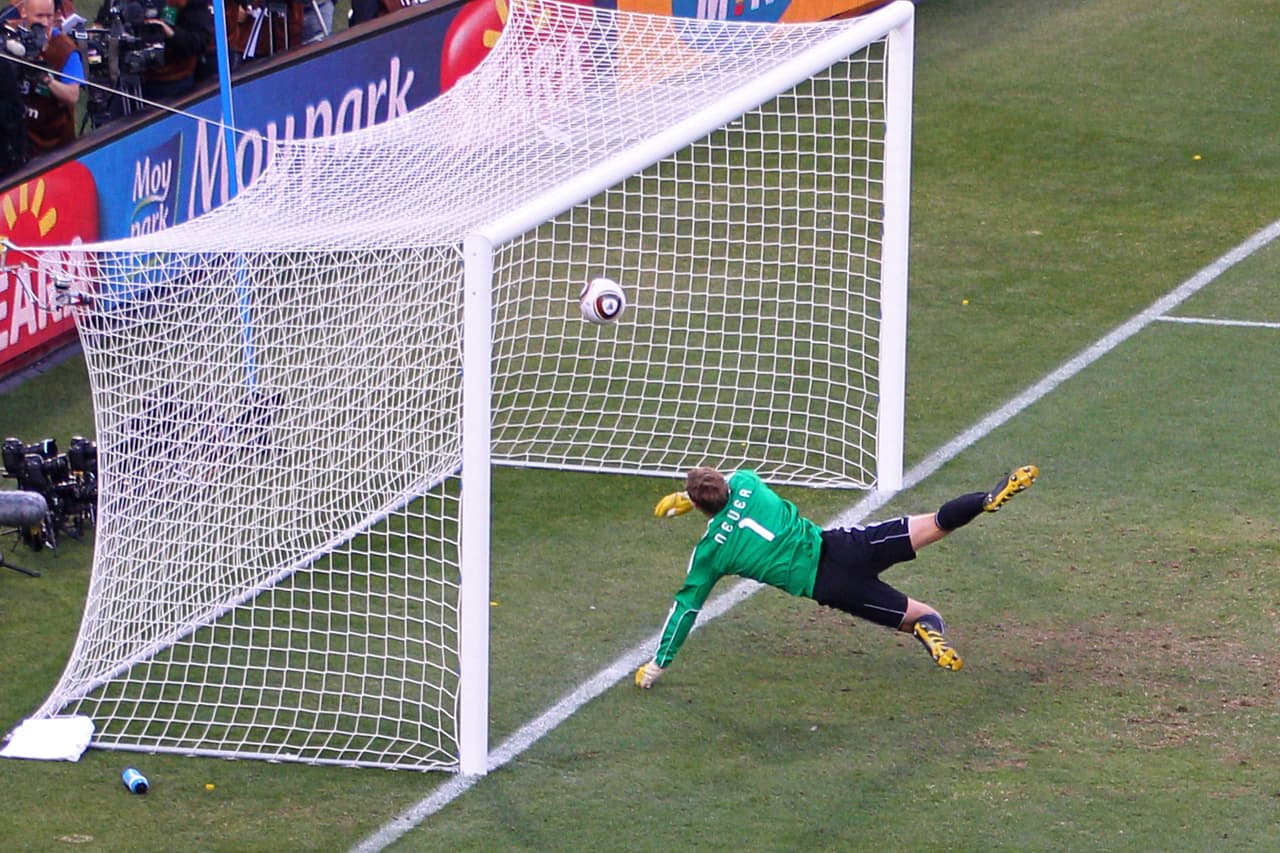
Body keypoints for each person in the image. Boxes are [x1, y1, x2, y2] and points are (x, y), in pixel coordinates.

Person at [634, 464, 1040, 688]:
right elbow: (727, 483)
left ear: (703, 509)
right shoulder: (748, 483)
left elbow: (685, 608)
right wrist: (692, 495)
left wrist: (658, 664)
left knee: (921, 615)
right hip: (844, 545)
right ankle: (985, 501)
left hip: (831, 585)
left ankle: (928, 632)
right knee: (934, 522)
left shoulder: (711, 554)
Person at [16, 0, 82, 156]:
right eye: (39, 16)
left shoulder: (66, 50)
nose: (45, 22)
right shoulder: (14, 40)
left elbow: (73, 96)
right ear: (24, 13)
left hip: (56, 146)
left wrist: (47, 80)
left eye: (49, 16)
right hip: (21, 139)